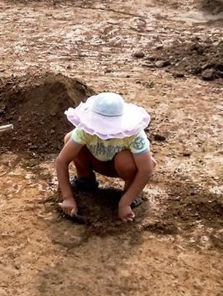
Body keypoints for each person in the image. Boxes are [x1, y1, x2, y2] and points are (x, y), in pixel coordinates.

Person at [56, 92, 156, 222]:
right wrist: (67, 197)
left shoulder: (133, 133)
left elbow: (146, 169)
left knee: (125, 160)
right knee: (70, 139)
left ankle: (130, 193)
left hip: (121, 167)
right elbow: (61, 161)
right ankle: (85, 179)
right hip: (97, 160)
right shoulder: (86, 129)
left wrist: (124, 203)